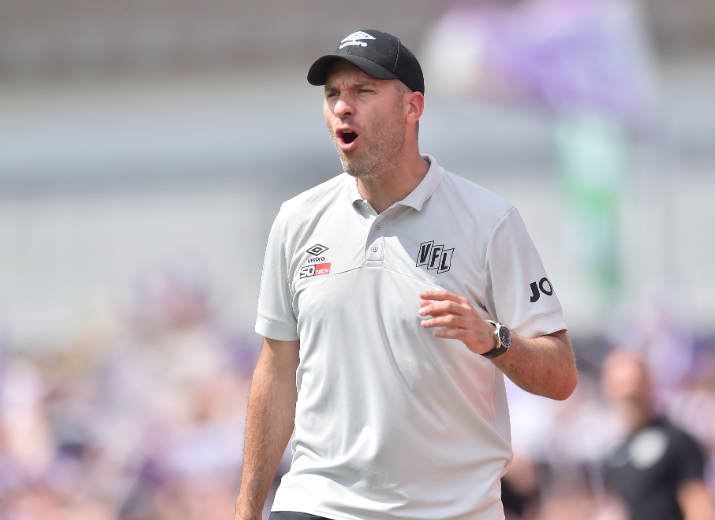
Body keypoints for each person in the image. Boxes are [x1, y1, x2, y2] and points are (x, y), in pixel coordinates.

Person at [235, 29, 578, 520]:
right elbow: (276, 370)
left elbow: (561, 376)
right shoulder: (297, 220)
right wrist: (247, 507)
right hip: (317, 501)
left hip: (452, 510)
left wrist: (493, 339)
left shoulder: (489, 221)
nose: (342, 107)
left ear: (412, 107)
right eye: (332, 94)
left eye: (363, 91)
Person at [602, 350, 714, 520]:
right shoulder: (616, 453)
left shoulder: (677, 441)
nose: (630, 398)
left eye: (635, 387)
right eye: (621, 390)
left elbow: (699, 507)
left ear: (649, 384)